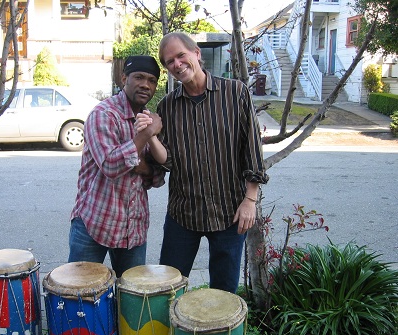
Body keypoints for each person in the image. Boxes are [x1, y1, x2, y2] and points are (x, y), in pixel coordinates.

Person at [155, 32, 269, 293]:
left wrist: (250, 200)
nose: (176, 64)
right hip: (183, 213)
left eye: (180, 55)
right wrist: (150, 136)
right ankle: (171, 334)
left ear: (196, 53)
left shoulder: (235, 93)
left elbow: (251, 147)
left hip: (230, 212)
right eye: (169, 61)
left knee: (224, 293)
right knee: (167, 287)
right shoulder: (167, 107)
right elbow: (168, 161)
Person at [68, 55, 165, 278]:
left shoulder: (149, 118)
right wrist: (147, 134)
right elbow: (111, 165)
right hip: (94, 223)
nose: (145, 85)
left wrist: (143, 167)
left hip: (133, 227)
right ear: (124, 78)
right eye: (139, 77)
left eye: (151, 80)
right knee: (81, 296)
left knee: (131, 302)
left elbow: (159, 175)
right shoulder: (102, 115)